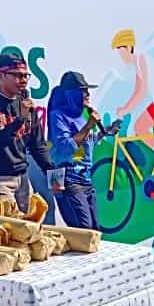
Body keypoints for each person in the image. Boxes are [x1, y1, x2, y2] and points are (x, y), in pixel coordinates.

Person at [0, 52, 56, 213]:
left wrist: (53, 175)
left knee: (30, 228)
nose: (23, 80)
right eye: (16, 75)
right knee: (10, 230)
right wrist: (20, 119)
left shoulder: (25, 104)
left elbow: (38, 145)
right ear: (0, 75)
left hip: (22, 177)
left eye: (25, 76)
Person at [47, 71, 119, 230]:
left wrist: (103, 132)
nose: (88, 94)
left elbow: (84, 144)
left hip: (85, 179)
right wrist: (89, 126)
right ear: (71, 94)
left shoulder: (83, 115)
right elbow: (66, 147)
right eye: (83, 90)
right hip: (66, 179)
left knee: (95, 230)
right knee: (84, 231)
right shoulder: (57, 116)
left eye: (87, 90)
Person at [111, 29, 154, 200]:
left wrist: (125, 110)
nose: (120, 56)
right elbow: (137, 90)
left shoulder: (142, 59)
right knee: (139, 128)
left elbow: (142, 92)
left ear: (129, 47)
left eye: (121, 51)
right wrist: (125, 107)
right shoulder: (137, 63)